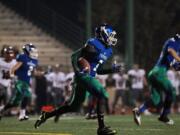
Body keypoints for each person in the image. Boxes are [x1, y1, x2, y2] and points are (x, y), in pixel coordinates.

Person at [35, 23, 121, 135]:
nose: (111, 38)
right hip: (83, 76)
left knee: (73, 107)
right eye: (110, 35)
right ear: (102, 34)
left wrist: (111, 70)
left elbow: (98, 70)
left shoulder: (109, 51)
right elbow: (74, 56)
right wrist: (77, 71)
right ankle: (102, 128)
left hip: (88, 76)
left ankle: (46, 115)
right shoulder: (93, 42)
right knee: (102, 93)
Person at [133, 34, 180, 125]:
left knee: (156, 99)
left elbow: (175, 65)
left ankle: (138, 111)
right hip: (159, 72)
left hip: (154, 73)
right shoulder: (175, 41)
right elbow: (170, 50)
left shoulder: (177, 49)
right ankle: (164, 116)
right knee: (171, 92)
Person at [0, 44, 38, 121]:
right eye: (32, 51)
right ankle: (22, 115)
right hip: (20, 81)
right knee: (27, 94)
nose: (34, 52)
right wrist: (13, 76)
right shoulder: (23, 57)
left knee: (15, 102)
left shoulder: (35, 60)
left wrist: (42, 73)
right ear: (27, 51)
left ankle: (2, 109)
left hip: (26, 82)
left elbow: (33, 72)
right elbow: (14, 68)